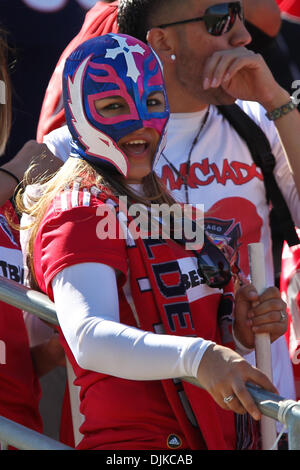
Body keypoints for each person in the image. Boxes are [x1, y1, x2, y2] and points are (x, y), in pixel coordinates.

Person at [18, 32, 289, 451]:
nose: (140, 120)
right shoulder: (79, 206)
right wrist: (201, 358)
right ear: (76, 114)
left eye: (153, 102)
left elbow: (175, 326)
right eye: (113, 106)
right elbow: (89, 336)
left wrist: (238, 330)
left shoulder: (161, 204)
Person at [0, 27, 65, 444]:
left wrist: (63, 341)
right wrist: (15, 169)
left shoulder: (13, 211)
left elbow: (21, 362)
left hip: (21, 428)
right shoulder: (14, 179)